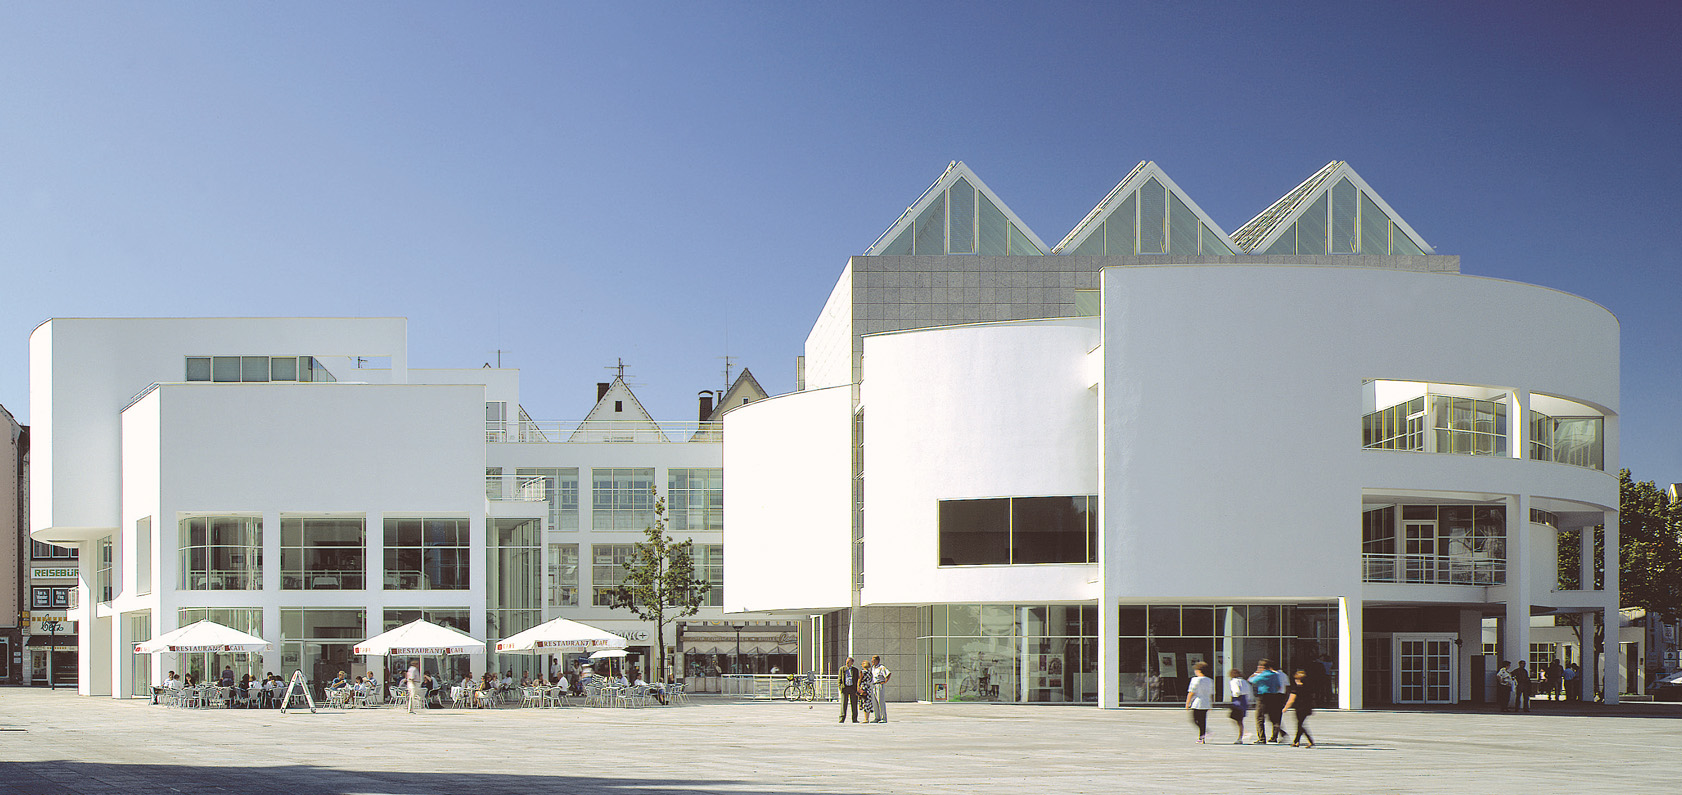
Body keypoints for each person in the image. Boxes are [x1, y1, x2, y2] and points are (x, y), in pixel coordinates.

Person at [1248, 660, 1288, 744]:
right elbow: (1278, 686)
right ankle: (1274, 737)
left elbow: (1251, 680)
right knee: (1274, 717)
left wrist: (1255, 673)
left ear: (1262, 667)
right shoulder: (1274, 675)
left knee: (1260, 718)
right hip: (1274, 696)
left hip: (1263, 697)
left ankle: (1262, 738)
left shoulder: (1263, 675)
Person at [1283, 669, 1316, 747]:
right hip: (1307, 707)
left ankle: (1309, 741)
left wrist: (1286, 707)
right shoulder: (1308, 687)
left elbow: (1291, 699)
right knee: (1300, 724)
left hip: (1299, 708)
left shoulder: (1296, 688)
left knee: (1300, 725)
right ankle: (1296, 741)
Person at [1184, 662, 1214, 744]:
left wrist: (1188, 702)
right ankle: (1202, 737)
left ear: (1199, 670)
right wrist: (1211, 703)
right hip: (1206, 702)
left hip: (1198, 701)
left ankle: (1205, 733)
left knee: (1194, 719)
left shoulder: (1195, 679)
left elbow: (1191, 692)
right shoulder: (1210, 680)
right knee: (1202, 720)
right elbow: (1211, 693)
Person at [1227, 669, 1253, 744]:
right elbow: (1249, 692)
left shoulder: (1234, 681)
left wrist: (1234, 696)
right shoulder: (1244, 681)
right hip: (1244, 700)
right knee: (1239, 719)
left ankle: (1243, 735)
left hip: (1238, 700)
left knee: (1236, 719)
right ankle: (1242, 734)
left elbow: (1236, 691)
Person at [838, 657, 861, 723]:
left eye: (849, 662)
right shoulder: (842, 669)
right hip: (845, 688)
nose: (847, 663)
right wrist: (840, 686)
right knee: (843, 704)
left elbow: (857, 679)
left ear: (852, 663)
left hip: (852, 688)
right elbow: (839, 678)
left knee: (854, 703)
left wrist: (857, 688)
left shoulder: (855, 670)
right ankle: (842, 718)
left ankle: (854, 719)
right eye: (846, 661)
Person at [870, 655, 892, 723]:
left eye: (873, 660)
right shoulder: (873, 668)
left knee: (880, 702)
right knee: (874, 702)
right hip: (873, 685)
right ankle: (877, 717)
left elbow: (888, 674)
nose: (872, 662)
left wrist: (885, 681)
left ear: (877, 660)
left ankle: (883, 718)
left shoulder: (881, 667)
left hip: (879, 685)